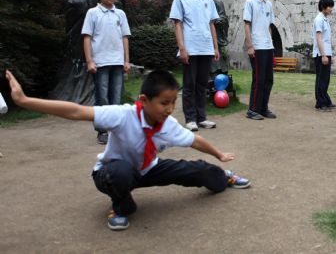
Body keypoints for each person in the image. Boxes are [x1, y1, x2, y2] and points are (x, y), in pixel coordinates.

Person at [5, 69, 250, 231]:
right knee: (120, 172)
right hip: (110, 172)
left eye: (173, 102)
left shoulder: (168, 125)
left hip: (148, 168)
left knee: (197, 170)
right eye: (164, 103)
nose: (169, 109)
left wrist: (219, 155)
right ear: (143, 100)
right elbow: (75, 111)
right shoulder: (122, 115)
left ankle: (224, 177)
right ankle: (122, 206)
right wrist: (25, 101)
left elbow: (195, 141)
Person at [51, 0, 125, 106]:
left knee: (115, 92)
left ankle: (115, 119)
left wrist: (126, 59)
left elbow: (124, 35)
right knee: (101, 90)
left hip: (115, 55)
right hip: (94, 52)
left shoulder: (116, 5)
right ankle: (102, 124)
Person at [169, 0, 219, 131]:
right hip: (190, 48)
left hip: (206, 48)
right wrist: (182, 48)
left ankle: (201, 117)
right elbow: (178, 24)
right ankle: (190, 119)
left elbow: (212, 24)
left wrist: (215, 47)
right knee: (189, 84)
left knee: (202, 84)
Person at [82, 0, 131, 144]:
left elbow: (125, 38)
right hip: (100, 62)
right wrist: (90, 61)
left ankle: (116, 129)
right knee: (102, 98)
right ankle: (102, 131)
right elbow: (87, 38)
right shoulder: (92, 13)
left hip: (117, 62)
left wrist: (126, 60)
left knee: (116, 98)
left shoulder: (120, 14)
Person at [244, 0, 276, 120]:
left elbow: (269, 25)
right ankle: (253, 109)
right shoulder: (250, 2)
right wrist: (250, 46)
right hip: (257, 46)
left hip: (268, 47)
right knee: (259, 79)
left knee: (269, 79)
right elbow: (247, 24)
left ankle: (263, 108)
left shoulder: (269, 4)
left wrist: (271, 44)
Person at [312, 0, 336, 112]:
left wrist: (329, 54)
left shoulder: (325, 19)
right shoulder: (319, 19)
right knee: (321, 79)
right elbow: (319, 38)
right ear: (323, 7)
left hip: (326, 53)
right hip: (321, 54)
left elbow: (327, 40)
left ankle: (326, 100)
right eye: (330, 6)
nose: (331, 9)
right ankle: (320, 103)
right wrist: (323, 55)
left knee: (325, 79)